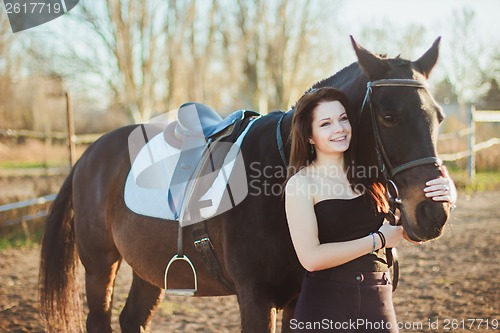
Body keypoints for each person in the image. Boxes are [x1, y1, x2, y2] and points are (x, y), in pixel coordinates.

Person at [284, 87, 457, 332]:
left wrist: (447, 197)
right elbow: (311, 258)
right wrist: (376, 241)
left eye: (343, 119)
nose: (339, 128)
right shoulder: (301, 184)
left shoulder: (375, 178)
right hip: (324, 307)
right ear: (309, 136)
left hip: (377, 302)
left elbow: (408, 234)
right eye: (326, 123)